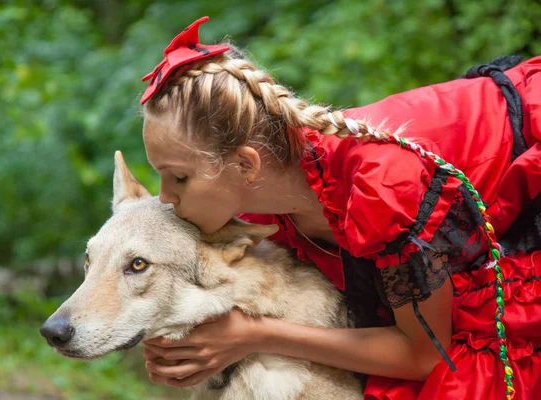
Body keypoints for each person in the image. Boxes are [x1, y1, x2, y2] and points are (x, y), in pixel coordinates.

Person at [139, 16, 541, 400]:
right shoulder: (266, 208)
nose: (165, 197)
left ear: (246, 165)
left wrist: (253, 334)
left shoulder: (381, 190)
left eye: (178, 177)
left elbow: (426, 356)